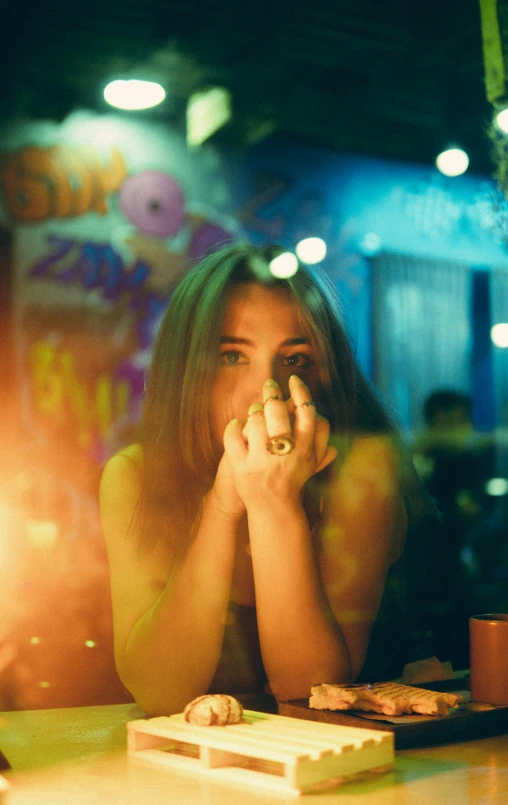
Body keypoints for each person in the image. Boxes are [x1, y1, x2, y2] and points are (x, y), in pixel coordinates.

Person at [99, 242, 431, 716]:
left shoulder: (362, 467)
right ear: (185, 368)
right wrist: (222, 505)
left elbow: (311, 693)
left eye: (294, 360)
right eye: (232, 356)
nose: (265, 388)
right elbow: (159, 694)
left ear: (324, 374)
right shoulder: (134, 475)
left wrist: (273, 504)